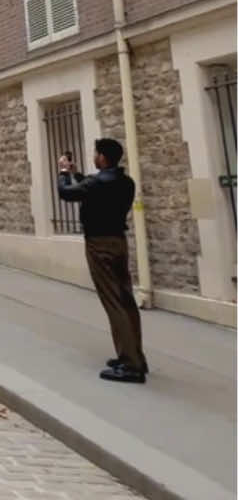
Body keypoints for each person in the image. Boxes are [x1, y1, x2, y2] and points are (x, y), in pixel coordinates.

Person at [58, 138, 147, 383]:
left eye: (96, 153)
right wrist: (78, 175)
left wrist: (64, 173)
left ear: (103, 158)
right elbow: (93, 187)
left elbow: (66, 194)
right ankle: (134, 355)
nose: (94, 157)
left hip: (99, 244)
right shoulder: (127, 182)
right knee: (126, 299)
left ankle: (131, 365)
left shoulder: (96, 183)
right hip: (119, 242)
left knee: (113, 302)